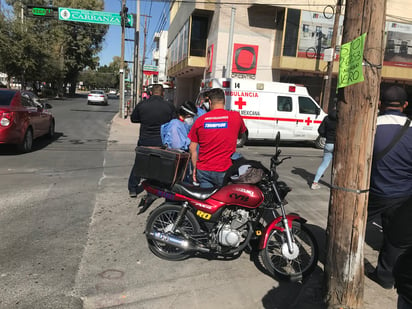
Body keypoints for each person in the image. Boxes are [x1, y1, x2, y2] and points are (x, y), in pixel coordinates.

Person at [367, 85, 412, 289]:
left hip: (371, 192)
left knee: (353, 229)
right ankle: (386, 278)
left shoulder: (370, 125)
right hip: (403, 194)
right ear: (405, 105)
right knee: (395, 239)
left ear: (380, 104)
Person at [188, 88, 247, 188]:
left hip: (204, 171)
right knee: (224, 200)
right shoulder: (235, 117)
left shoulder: (200, 120)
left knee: (207, 202)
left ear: (210, 102)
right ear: (224, 101)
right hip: (225, 170)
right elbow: (240, 135)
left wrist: (194, 168)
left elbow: (192, 148)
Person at [128, 84, 175, 197]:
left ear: (151, 93)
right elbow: (174, 121)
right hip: (160, 141)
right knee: (159, 165)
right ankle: (156, 188)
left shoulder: (142, 104)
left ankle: (133, 188)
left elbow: (133, 119)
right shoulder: (168, 106)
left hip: (145, 139)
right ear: (163, 93)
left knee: (140, 163)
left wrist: (145, 120)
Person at [311, 108, 337, 189]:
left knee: (324, 164)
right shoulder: (341, 119)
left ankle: (315, 183)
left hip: (328, 143)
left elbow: (320, 130)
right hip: (338, 144)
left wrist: (327, 135)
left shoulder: (327, 118)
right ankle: (337, 184)